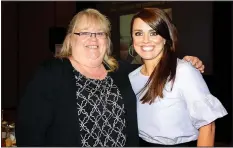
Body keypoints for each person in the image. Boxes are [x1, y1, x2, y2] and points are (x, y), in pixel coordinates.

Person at [16, 8, 205, 147]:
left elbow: (155, 68)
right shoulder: (51, 73)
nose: (93, 39)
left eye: (100, 33)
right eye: (84, 32)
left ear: (107, 41)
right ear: (70, 39)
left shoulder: (121, 72)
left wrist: (187, 63)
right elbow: (29, 134)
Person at [128, 8, 227, 147]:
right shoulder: (132, 77)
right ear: (132, 39)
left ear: (165, 38)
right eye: (138, 33)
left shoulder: (183, 71)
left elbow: (208, 126)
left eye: (153, 33)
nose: (145, 40)